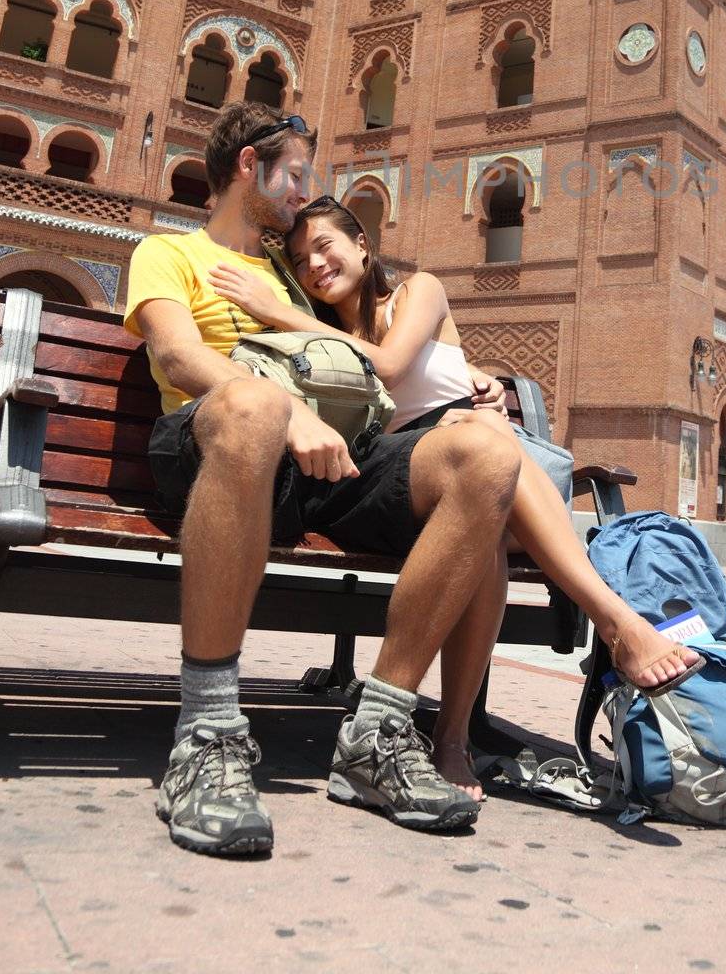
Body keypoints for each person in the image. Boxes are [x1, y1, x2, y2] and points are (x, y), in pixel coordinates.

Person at [126, 103, 528, 852]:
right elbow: (179, 358)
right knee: (249, 407)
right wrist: (282, 411)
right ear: (250, 166)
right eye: (296, 173)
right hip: (216, 443)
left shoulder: (293, 272)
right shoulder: (167, 253)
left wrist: (470, 374)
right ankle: (208, 735)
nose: (303, 189)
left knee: (487, 455)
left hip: (325, 462)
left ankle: (377, 732)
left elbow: (363, 346)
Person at [207, 192, 700, 802]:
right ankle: (454, 738)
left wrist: (283, 315)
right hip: (419, 487)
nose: (314, 265)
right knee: (481, 504)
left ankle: (608, 631)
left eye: (325, 246)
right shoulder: (324, 334)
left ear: (362, 243)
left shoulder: (420, 291)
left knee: (485, 447)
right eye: (302, 260)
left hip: (490, 465)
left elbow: (390, 366)